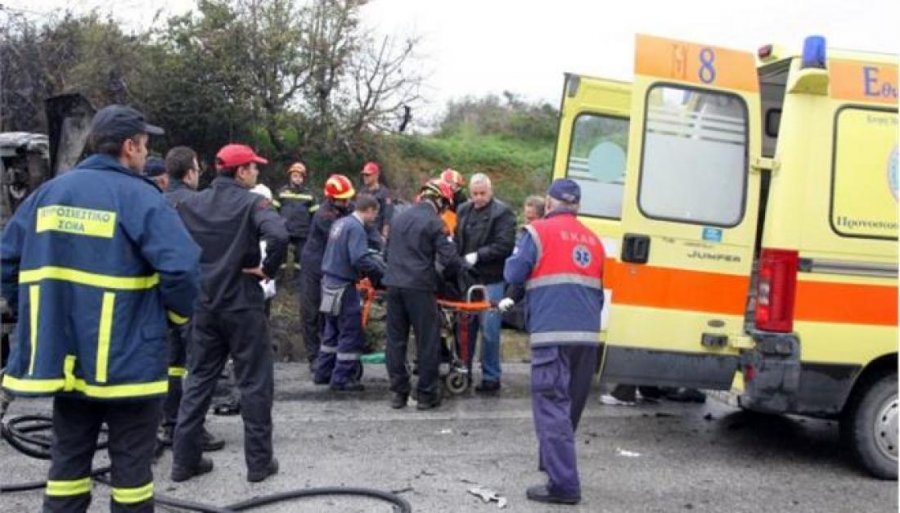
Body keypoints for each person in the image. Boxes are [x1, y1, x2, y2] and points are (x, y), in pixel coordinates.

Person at [0, 104, 200, 513]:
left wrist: (40, 311)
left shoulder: (49, 194)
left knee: (67, 467)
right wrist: (177, 317)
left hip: (66, 363)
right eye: (144, 146)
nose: (145, 155)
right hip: (128, 363)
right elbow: (181, 268)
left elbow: (6, 260)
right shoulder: (139, 197)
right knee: (130, 478)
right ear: (129, 147)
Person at [171, 143, 288, 483]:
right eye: (254, 167)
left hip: (203, 305)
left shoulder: (191, 202)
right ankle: (258, 463)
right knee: (254, 383)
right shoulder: (253, 203)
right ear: (240, 172)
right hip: (242, 306)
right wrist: (268, 269)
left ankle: (184, 461)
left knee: (198, 382)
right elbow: (279, 234)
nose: (257, 173)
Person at [503, 179, 605, 506]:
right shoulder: (594, 240)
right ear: (577, 205)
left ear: (549, 203)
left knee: (551, 407)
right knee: (568, 407)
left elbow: (514, 274)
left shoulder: (537, 232)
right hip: (587, 336)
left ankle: (564, 485)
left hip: (552, 334)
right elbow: (598, 291)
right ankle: (553, 463)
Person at [157, 145, 224, 453]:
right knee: (198, 365)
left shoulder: (155, 202)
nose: (200, 174)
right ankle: (192, 429)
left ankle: (169, 424)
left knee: (171, 363)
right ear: (189, 173)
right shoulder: (197, 203)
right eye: (198, 168)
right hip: (192, 293)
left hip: (159, 294)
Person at [384, 180, 465, 410]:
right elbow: (449, 258)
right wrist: (460, 272)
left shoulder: (399, 217)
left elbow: (386, 251)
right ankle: (426, 394)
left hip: (394, 284)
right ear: (439, 200)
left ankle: (398, 393)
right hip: (419, 287)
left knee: (395, 340)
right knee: (427, 341)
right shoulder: (434, 222)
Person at [313, 194, 386, 391]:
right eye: (374, 214)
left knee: (331, 330)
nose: (374, 219)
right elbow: (359, 258)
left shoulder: (340, 223)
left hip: (328, 282)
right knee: (350, 331)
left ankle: (323, 372)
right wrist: (381, 273)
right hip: (344, 285)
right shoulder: (356, 228)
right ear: (369, 210)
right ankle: (342, 378)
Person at [454, 173, 516, 393]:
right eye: (475, 194)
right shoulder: (463, 211)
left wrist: (478, 255)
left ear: (491, 191)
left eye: (483, 193)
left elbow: (505, 244)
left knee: (490, 331)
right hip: (467, 279)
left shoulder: (502, 213)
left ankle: (491, 376)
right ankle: (464, 371)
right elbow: (458, 238)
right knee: (464, 329)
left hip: (491, 279)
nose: (479, 198)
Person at [298, 174, 356, 372]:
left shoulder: (348, 208)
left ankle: (328, 355)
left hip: (331, 266)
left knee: (329, 313)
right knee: (311, 311)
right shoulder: (324, 216)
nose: (348, 201)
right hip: (314, 266)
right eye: (344, 198)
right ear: (331, 198)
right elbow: (344, 238)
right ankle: (314, 356)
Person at [499, 194, 545, 330]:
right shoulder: (522, 235)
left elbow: (519, 272)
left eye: (531, 218)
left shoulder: (538, 238)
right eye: (526, 218)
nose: (528, 222)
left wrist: (510, 298)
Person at [276, 161, 318, 274]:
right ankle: (280, 282)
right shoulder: (281, 192)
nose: (297, 179)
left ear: (304, 178)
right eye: (295, 176)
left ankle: (298, 284)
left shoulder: (309, 195)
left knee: (301, 259)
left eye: (300, 176)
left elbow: (315, 215)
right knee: (280, 258)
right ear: (290, 177)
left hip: (303, 232)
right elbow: (274, 211)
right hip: (283, 230)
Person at [360, 161, 393, 239]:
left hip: (377, 231)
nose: (365, 177)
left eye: (368, 175)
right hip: (362, 230)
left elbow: (387, 215)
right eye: (364, 175)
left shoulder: (384, 193)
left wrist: (384, 235)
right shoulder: (362, 192)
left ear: (376, 175)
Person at [439, 168, 466, 235]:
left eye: (451, 183)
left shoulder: (460, 197)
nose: (448, 185)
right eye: (445, 183)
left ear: (457, 185)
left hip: (454, 228)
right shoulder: (441, 196)